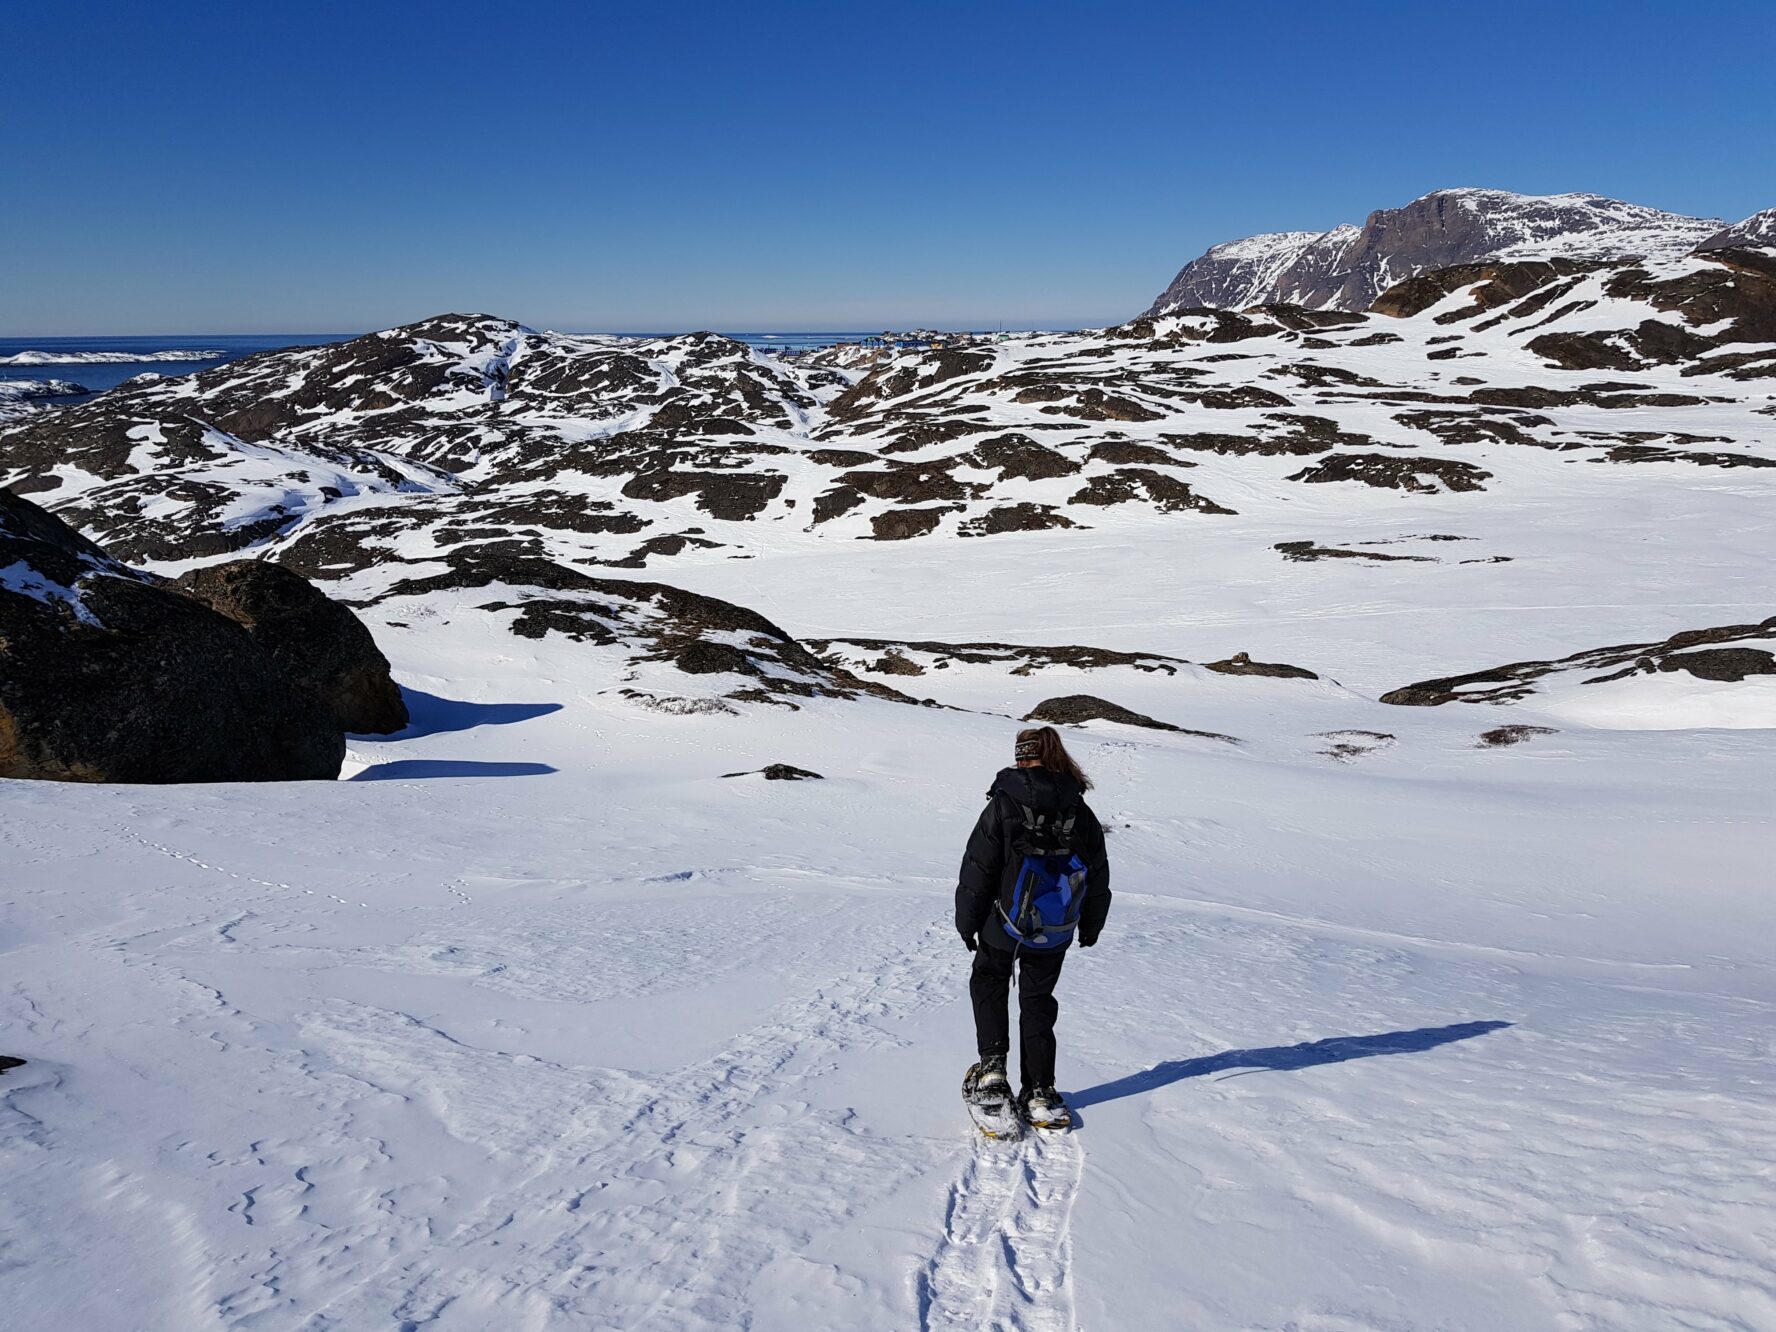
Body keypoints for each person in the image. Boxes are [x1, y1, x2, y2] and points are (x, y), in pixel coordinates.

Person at [955, 725, 1111, 1129]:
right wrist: (1091, 924)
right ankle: (1040, 1090)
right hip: (1056, 926)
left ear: (1021, 756)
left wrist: (967, 922)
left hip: (1002, 923)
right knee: (1038, 1000)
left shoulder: (1004, 804)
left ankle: (992, 1074)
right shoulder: (1079, 809)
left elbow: (979, 868)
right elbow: (1098, 873)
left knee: (989, 980)